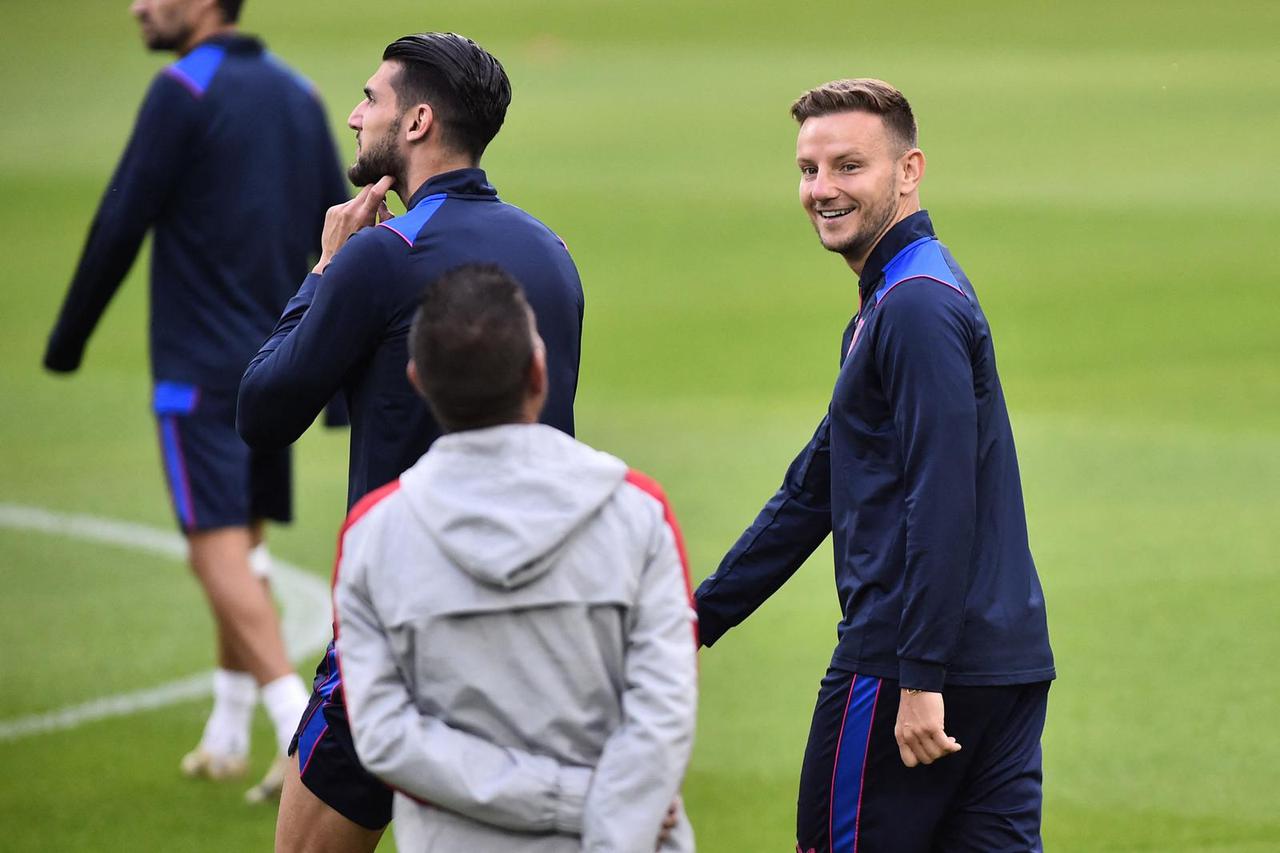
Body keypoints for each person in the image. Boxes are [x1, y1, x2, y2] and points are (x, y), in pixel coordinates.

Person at [236, 33, 586, 852]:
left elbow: (261, 411)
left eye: (371, 99)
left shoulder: (380, 255)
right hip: (526, 630)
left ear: (419, 121)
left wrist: (324, 267)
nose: (355, 116)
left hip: (400, 625)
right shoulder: (555, 255)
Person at [693, 79, 1056, 852]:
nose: (821, 189)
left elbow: (942, 496)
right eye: (808, 169)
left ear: (909, 170)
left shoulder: (915, 307)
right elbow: (815, 487)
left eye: (848, 166)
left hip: (908, 667)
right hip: (1001, 663)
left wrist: (920, 676)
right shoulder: (901, 293)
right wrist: (705, 614)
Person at [42, 0, 348, 801]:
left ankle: (295, 731)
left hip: (197, 369)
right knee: (240, 549)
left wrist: (67, 338)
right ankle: (223, 733)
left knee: (213, 549)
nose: (138, 7)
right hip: (276, 362)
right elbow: (344, 226)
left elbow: (120, 219)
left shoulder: (181, 90)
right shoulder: (301, 92)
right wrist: (336, 373)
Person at [330, 263, 698, 852]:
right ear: (538, 371)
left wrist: (561, 797)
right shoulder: (638, 512)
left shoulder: (373, 536)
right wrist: (592, 809)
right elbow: (664, 713)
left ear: (417, 381)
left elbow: (383, 738)